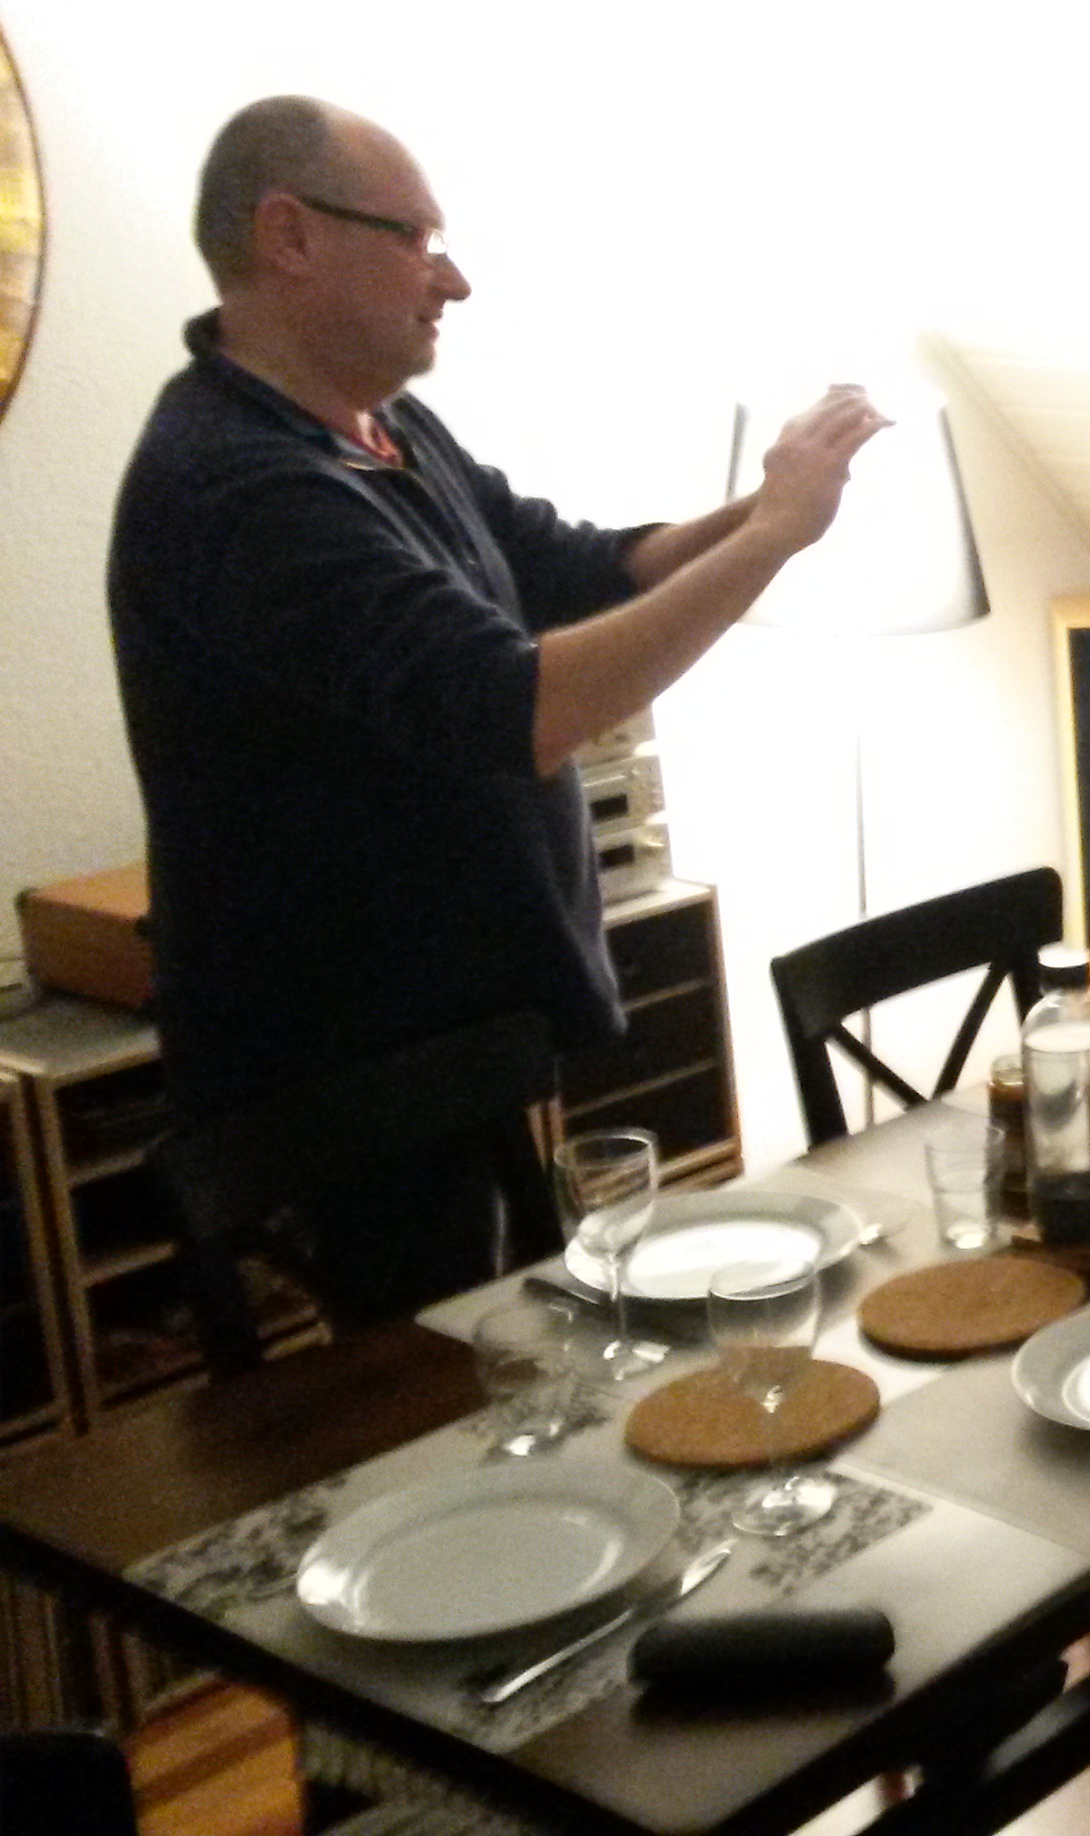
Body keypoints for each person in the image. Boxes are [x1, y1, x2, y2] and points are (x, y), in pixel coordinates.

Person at [109, 96, 888, 1325]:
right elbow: (520, 709)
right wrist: (776, 539)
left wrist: (770, 502)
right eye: (416, 239)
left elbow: (580, 568)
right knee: (440, 1400)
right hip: (341, 1081)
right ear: (289, 236)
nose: (453, 279)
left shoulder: (381, 429)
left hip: (458, 1045)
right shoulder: (237, 487)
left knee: (521, 1353)